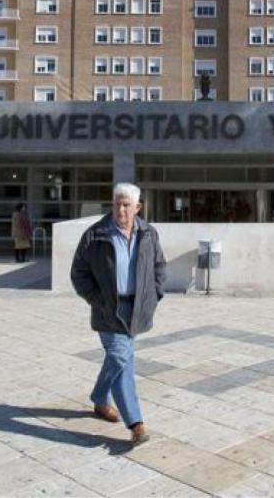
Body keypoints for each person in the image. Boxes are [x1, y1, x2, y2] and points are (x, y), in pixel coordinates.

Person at [71, 183, 165, 446]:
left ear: (137, 208)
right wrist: (96, 299)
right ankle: (136, 424)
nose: (121, 209)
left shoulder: (148, 234)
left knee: (117, 357)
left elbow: (159, 265)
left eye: (126, 205)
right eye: (117, 204)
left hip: (136, 308)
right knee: (122, 359)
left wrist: (154, 294)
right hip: (107, 308)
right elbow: (78, 272)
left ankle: (100, 400)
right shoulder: (95, 234)